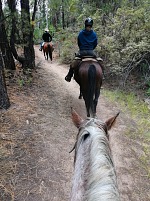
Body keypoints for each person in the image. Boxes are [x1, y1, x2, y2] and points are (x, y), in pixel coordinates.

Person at [65, 17, 104, 82]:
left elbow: (79, 43)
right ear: (91, 25)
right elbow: (95, 44)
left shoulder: (81, 33)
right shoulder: (94, 34)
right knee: (100, 62)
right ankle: (103, 76)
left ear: (85, 25)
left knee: (73, 64)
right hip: (91, 52)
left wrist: (82, 48)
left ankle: (69, 76)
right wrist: (91, 49)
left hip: (82, 51)